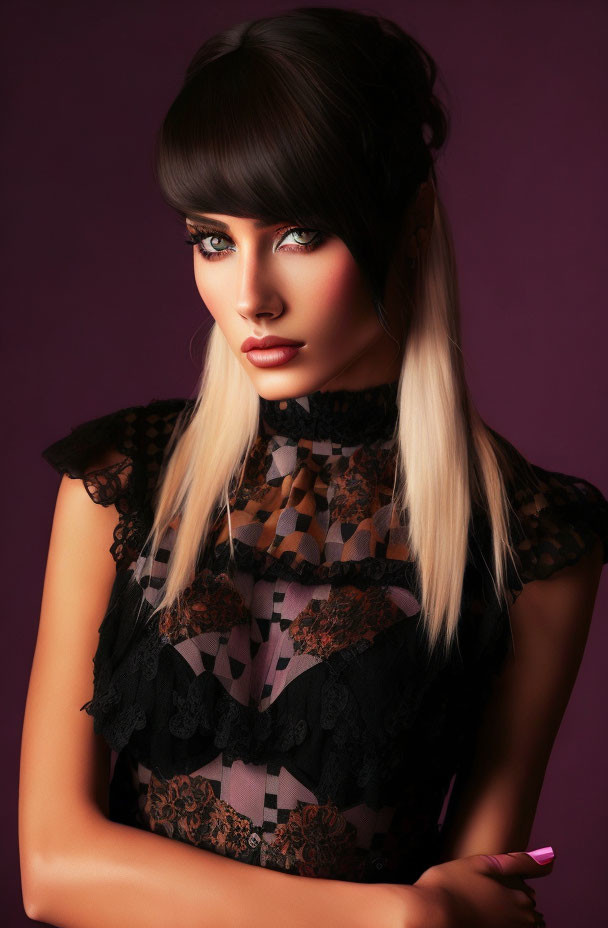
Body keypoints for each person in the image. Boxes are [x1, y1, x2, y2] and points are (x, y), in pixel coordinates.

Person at [19, 7, 607, 928]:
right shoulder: (123, 482)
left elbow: (477, 903)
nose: (248, 294)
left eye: (298, 234)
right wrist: (388, 919)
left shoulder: (532, 540)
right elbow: (53, 870)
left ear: (407, 225)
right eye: (212, 239)